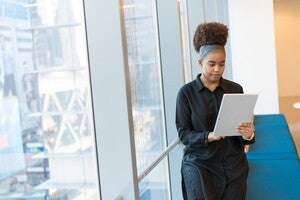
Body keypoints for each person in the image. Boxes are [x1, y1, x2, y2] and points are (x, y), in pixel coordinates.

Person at [175, 22, 255, 200]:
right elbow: (184, 134)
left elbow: (242, 131)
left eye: (222, 64)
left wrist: (248, 134)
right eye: (211, 64)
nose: (217, 69)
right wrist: (208, 136)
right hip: (199, 163)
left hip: (232, 163)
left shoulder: (235, 89)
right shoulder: (186, 93)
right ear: (200, 62)